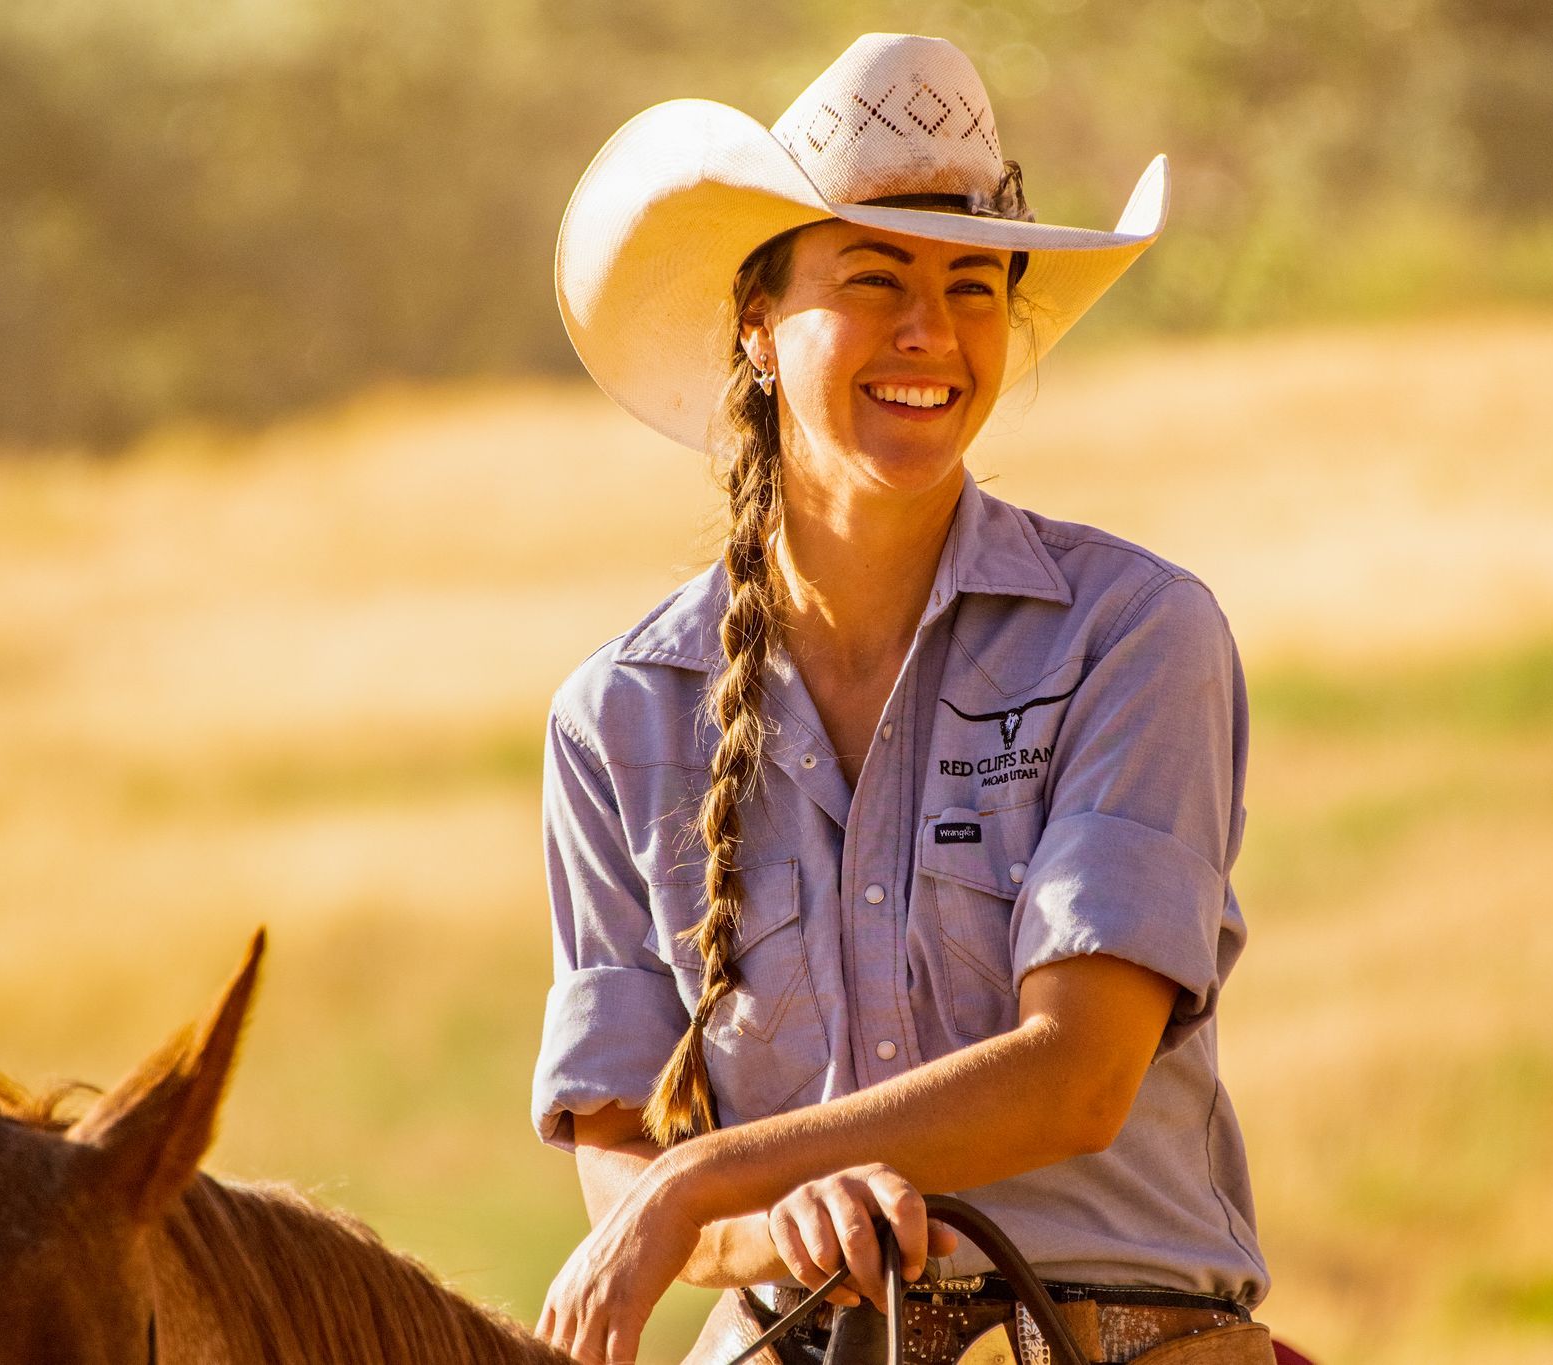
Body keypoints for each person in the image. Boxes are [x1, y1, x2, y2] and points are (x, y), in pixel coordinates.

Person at [532, 32, 1275, 1365]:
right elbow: (622, 1168)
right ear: (758, 326)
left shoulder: (1135, 634)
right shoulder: (618, 718)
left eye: (970, 285)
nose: (929, 331)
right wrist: (780, 1223)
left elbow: (1079, 1073)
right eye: (874, 278)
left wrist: (710, 1180)